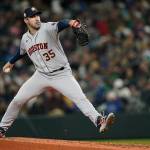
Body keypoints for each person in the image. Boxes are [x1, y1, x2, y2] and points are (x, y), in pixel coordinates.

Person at [0, 7, 115, 137]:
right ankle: (1, 129)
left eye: (38, 15)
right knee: (17, 101)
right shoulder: (24, 38)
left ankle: (100, 121)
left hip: (61, 74)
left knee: (80, 98)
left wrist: (72, 22)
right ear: (26, 20)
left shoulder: (47, 28)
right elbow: (20, 53)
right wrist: (11, 62)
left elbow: (62, 24)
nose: (37, 18)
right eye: (33, 16)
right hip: (41, 75)